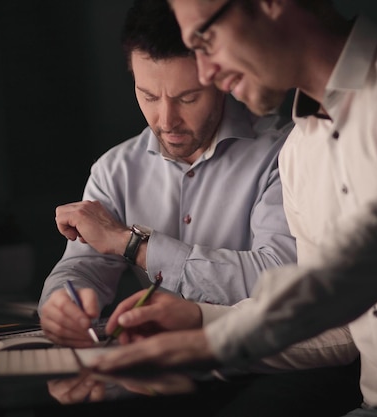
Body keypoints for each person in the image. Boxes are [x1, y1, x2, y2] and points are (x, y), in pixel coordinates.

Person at [87, 0, 377, 415]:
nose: (206, 74)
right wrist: (198, 321)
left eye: (205, 40)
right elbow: (334, 330)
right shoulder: (298, 153)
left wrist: (210, 342)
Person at [38, 0, 298, 347]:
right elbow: (82, 268)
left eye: (188, 98)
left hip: (256, 362)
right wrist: (61, 303)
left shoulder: (283, 154)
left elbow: (279, 279)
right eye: (148, 96)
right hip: (157, 371)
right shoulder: (115, 170)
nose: (165, 120)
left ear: (217, 76)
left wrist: (131, 244)